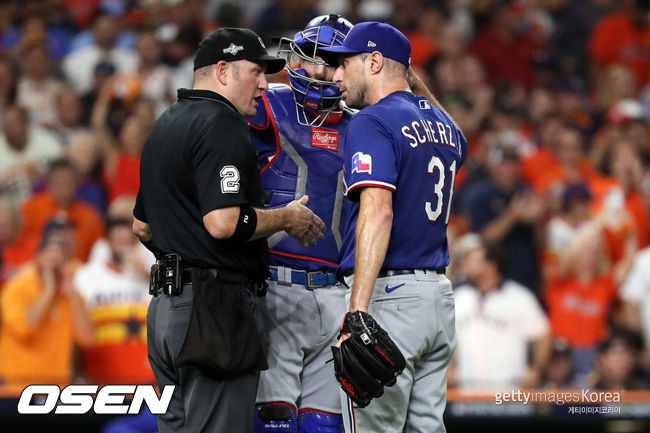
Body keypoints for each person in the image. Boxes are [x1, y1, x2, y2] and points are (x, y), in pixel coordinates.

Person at [133, 28, 325, 433]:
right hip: (213, 311)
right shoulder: (222, 124)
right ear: (222, 71)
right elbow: (222, 222)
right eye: (255, 72)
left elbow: (143, 225)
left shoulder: (167, 122)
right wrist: (286, 217)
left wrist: (183, 256)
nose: (264, 85)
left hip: (167, 312)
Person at [321, 22, 467, 433]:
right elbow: (457, 136)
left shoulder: (371, 121)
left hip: (390, 298)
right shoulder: (444, 129)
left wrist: (357, 311)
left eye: (344, 64)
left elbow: (378, 211)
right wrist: (409, 80)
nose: (336, 76)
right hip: (438, 299)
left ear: (373, 61)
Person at [247, 14, 354, 433]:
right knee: (274, 421)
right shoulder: (267, 104)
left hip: (337, 292)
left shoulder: (363, 125)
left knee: (325, 426)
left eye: (329, 60)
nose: (317, 70)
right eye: (310, 58)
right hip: (274, 285)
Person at [451, 237, 551, 390]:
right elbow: (446, 341)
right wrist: (448, 369)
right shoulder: (458, 297)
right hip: (467, 393)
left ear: (491, 265)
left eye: (473, 260)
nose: (466, 265)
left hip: (508, 392)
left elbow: (543, 335)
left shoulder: (519, 297)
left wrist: (536, 370)